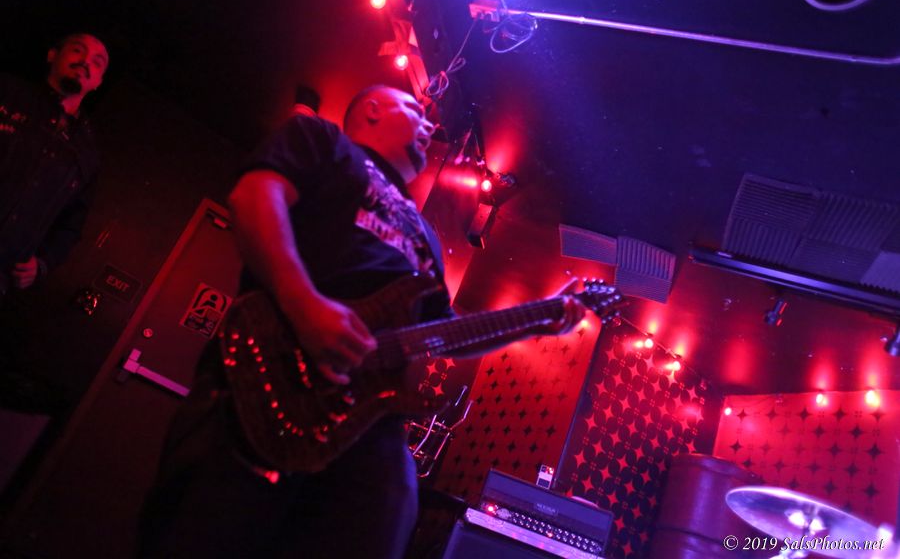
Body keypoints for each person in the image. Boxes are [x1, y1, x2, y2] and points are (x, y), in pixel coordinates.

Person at [139, 84, 585, 558]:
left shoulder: (426, 236)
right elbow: (254, 198)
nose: (430, 124)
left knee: (385, 512)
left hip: (365, 423)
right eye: (415, 110)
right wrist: (304, 305)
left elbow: (442, 334)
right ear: (372, 109)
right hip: (266, 377)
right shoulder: (322, 140)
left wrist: (536, 320)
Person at [0, 32, 109, 411]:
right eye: (78, 50)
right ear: (53, 54)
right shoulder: (7, 92)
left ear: (98, 82)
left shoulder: (87, 153)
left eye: (97, 62)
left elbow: (71, 225)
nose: (85, 62)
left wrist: (43, 264)